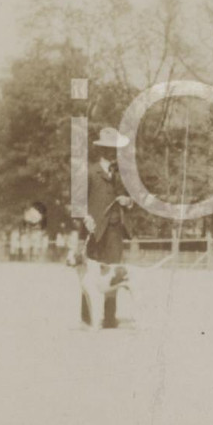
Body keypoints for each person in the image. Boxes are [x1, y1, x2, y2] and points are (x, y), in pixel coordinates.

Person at [83, 127, 134, 329]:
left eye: (115, 149)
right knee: (91, 276)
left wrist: (127, 201)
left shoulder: (122, 174)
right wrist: (86, 218)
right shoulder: (89, 172)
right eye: (109, 149)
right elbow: (78, 202)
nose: (112, 153)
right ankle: (88, 318)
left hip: (114, 230)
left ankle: (109, 319)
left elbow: (132, 200)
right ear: (101, 150)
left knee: (113, 273)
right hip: (94, 229)